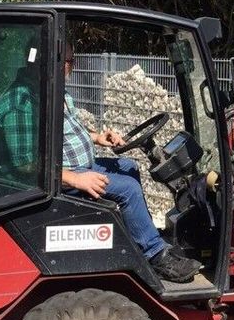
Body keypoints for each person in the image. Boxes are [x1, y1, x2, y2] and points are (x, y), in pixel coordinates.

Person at [61, 43, 200, 283]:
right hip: (67, 176)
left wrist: (96, 137)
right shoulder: (26, 102)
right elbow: (25, 166)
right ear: (60, 62)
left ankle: (136, 236)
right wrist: (75, 179)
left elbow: (69, 129)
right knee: (129, 189)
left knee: (129, 166)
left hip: (79, 167)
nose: (72, 68)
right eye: (71, 62)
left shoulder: (56, 92)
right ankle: (156, 255)